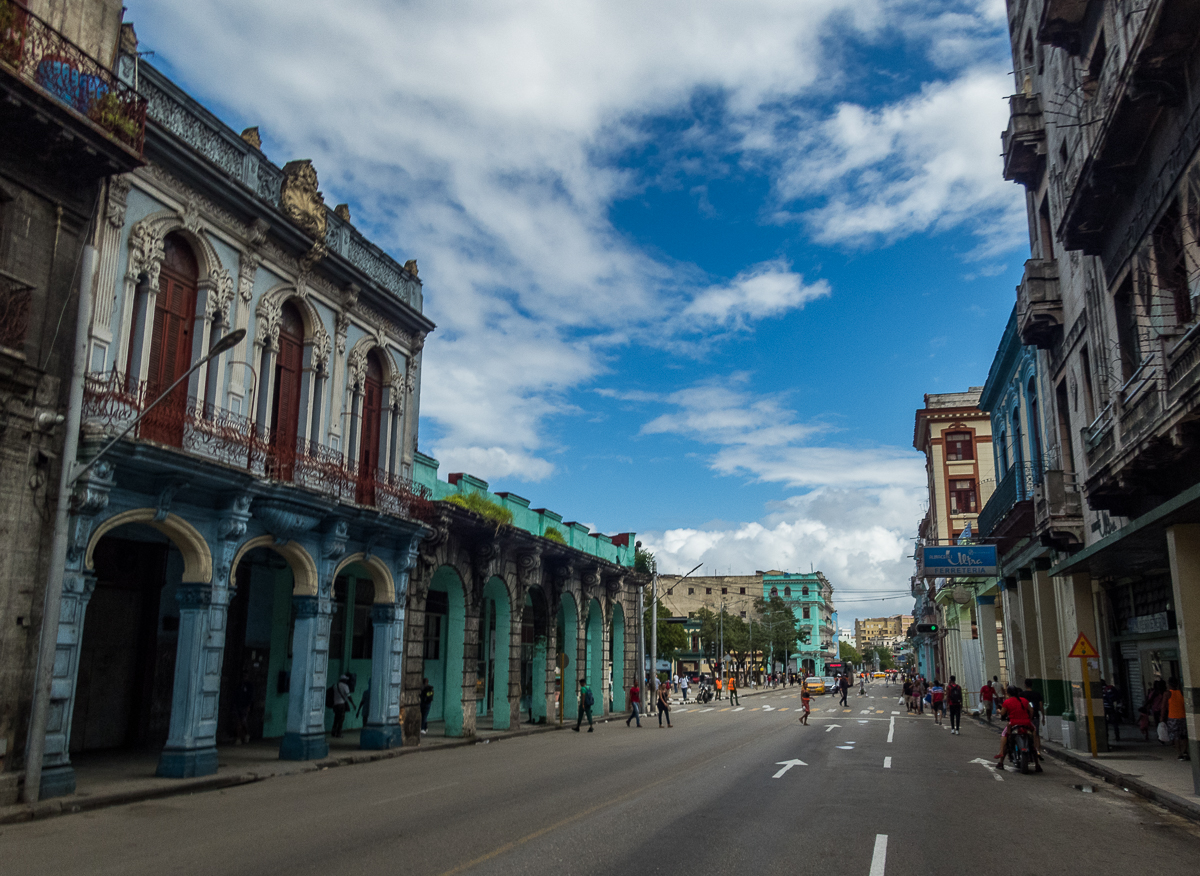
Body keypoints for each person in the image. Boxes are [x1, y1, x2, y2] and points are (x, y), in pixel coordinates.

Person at [995, 685, 1040, 772]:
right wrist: (1029, 719)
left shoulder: (1007, 702)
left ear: (1008, 693)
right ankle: (1037, 764)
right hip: (1026, 723)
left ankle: (1001, 761)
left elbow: (1003, 714)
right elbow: (1031, 711)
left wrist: (999, 711)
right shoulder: (1024, 700)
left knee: (1006, 738)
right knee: (1033, 735)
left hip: (1013, 723)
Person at [1166, 677, 1189, 760]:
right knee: (1184, 736)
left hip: (1172, 718)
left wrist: (1161, 718)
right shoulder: (1181, 693)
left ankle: (1180, 754)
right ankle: (1185, 751)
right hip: (1183, 717)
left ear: (1169, 684)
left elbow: (1163, 706)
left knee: (1176, 737)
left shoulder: (1167, 693)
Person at [1022, 678, 1044, 755]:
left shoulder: (1022, 694)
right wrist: (1043, 717)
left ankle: (1027, 749)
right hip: (1035, 716)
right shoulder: (1037, 694)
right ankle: (1038, 750)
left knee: (1026, 733)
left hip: (1026, 717)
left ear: (1025, 685)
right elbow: (1041, 706)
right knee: (1036, 734)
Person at [232, 671, 254, 744]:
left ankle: (246, 734)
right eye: (243, 676)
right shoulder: (239, 685)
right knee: (238, 722)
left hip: (244, 706)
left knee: (243, 722)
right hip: (238, 705)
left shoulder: (249, 686)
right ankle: (238, 738)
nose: (244, 678)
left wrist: (248, 706)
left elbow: (250, 697)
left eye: (246, 676)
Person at [331, 673, 354, 738]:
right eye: (346, 680)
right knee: (341, 719)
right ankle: (339, 733)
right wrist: (353, 704)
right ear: (344, 680)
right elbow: (349, 696)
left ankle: (333, 732)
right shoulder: (345, 686)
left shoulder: (335, 685)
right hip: (341, 704)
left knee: (336, 718)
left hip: (335, 704)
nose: (346, 681)